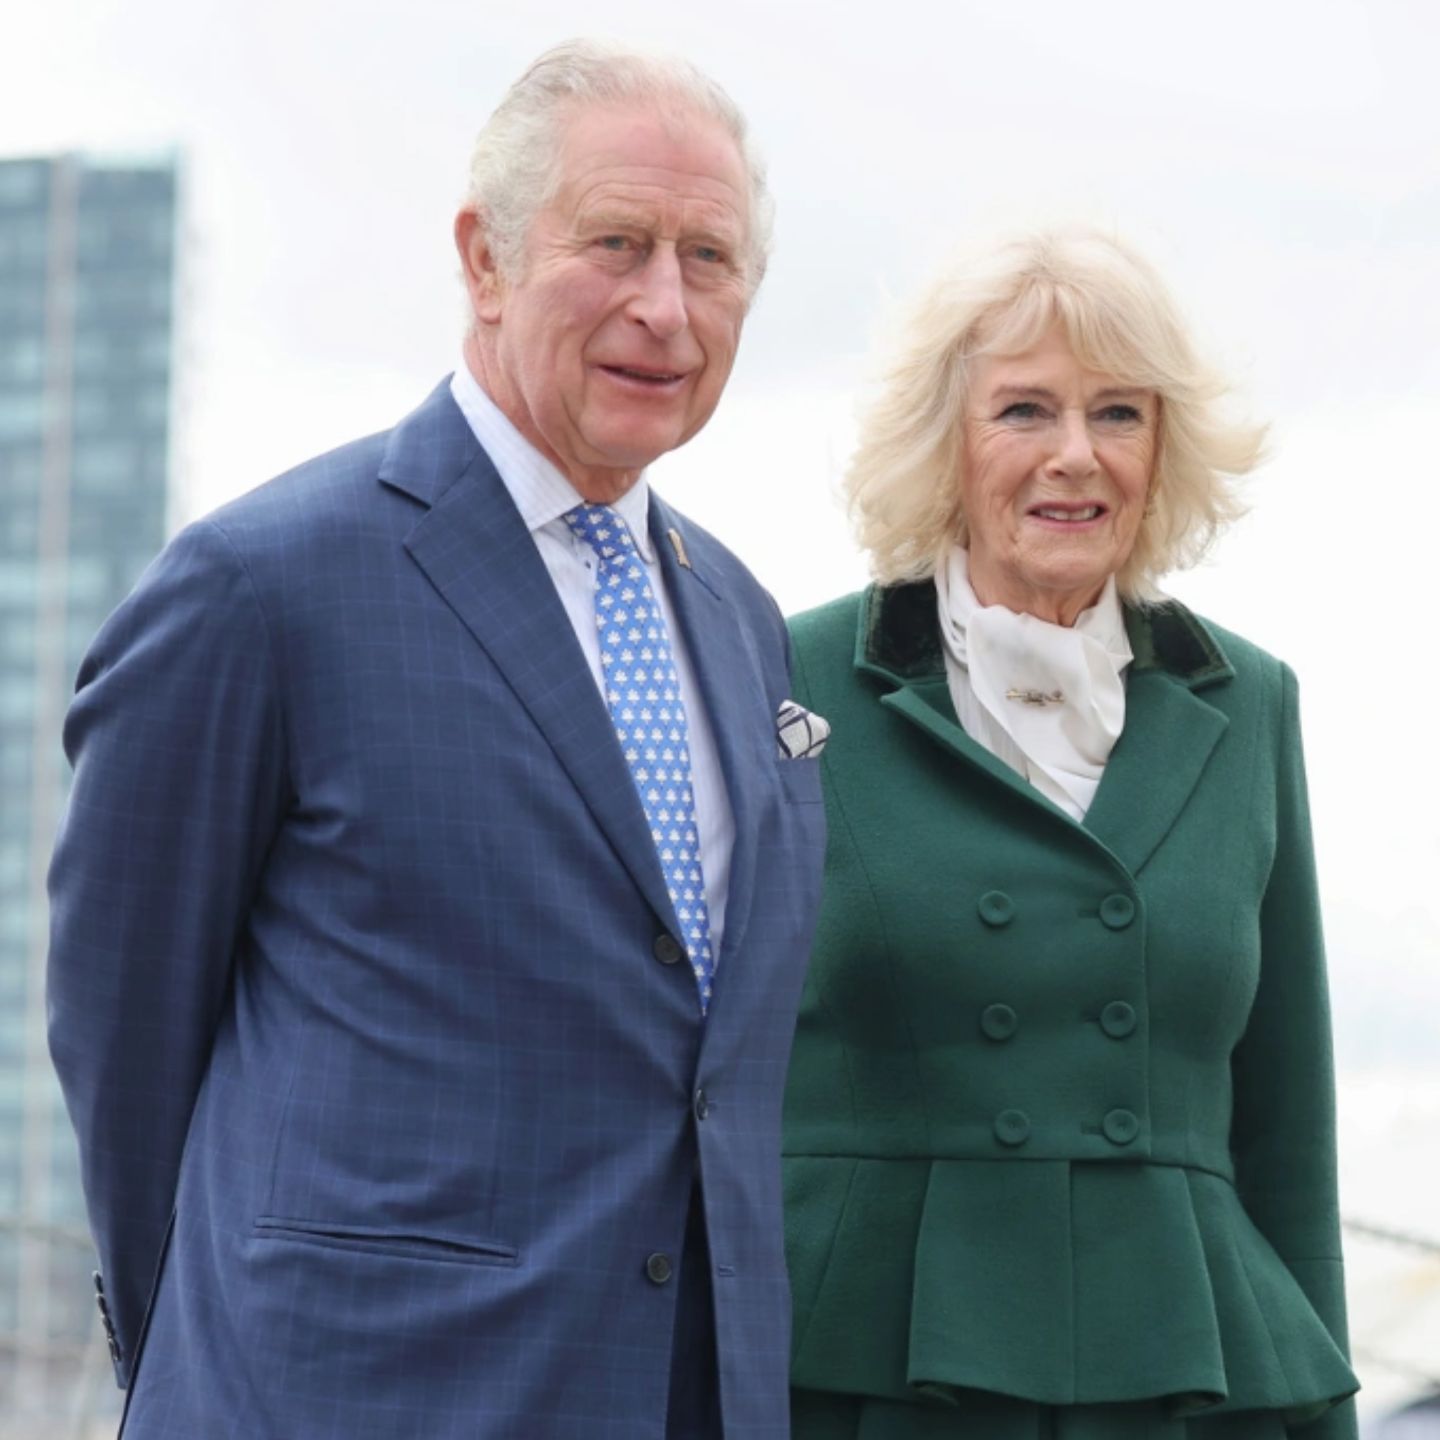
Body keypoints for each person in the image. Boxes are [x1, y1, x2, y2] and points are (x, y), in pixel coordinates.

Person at [47, 40, 827, 1440]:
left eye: (711, 261)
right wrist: (198, 1359)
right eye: (618, 243)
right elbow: (125, 1038)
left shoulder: (744, 624)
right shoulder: (264, 587)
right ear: (485, 259)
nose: (667, 306)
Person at [780, 230, 1359, 1440]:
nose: (1075, 458)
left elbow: (1286, 1127)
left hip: (1182, 1377)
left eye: (1119, 414)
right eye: (1025, 410)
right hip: (870, 1376)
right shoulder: (785, 678)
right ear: (949, 442)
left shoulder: (1251, 702)